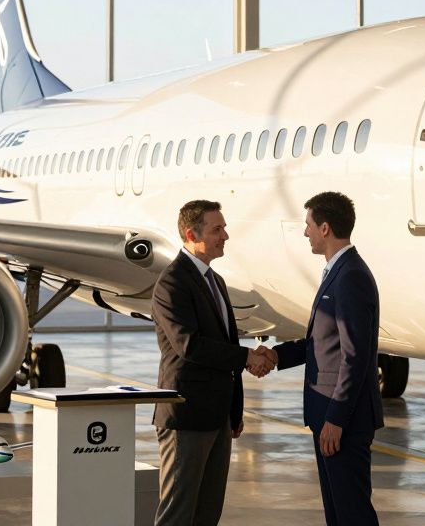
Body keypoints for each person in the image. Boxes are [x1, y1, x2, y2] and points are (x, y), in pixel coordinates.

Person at [260, 191, 382, 525]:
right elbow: (323, 344)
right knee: (337, 513)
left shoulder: (351, 276)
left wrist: (336, 419)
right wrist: (274, 354)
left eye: (309, 225)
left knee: (352, 513)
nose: (305, 232)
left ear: (325, 228)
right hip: (330, 416)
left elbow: (354, 358)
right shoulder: (338, 271)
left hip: (342, 419)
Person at [152, 199, 273, 526]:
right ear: (192, 233)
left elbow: (225, 345)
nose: (225, 236)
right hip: (187, 415)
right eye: (217, 229)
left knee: (208, 513)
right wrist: (248, 357)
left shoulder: (215, 282)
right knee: (177, 512)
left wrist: (234, 410)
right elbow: (188, 345)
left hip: (217, 416)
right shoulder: (171, 283)